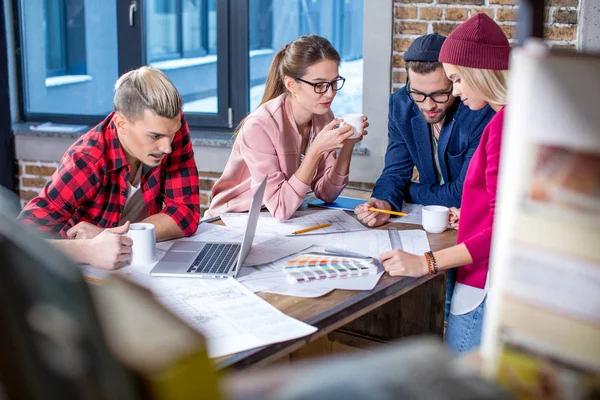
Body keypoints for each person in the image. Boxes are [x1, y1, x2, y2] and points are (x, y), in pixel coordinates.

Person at [377, 13, 510, 355]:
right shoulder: (510, 119)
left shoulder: (493, 123)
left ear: (475, 73)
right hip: (473, 253)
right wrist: (467, 213)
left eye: (454, 81)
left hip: (483, 275)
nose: (456, 91)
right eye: (418, 95)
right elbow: (490, 203)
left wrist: (426, 263)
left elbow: (502, 228)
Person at [18, 66, 200, 270]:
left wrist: (119, 236)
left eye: (172, 133)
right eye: (155, 136)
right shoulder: (87, 160)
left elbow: (186, 213)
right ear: (121, 124)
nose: (167, 148)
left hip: (136, 265)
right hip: (85, 272)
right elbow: (20, 243)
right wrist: (86, 249)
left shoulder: (169, 127)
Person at [205, 34, 368, 221]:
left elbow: (327, 193)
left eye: (334, 83)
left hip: (273, 217)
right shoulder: (260, 126)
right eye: (320, 85)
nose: (330, 93)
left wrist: (348, 145)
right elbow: (281, 207)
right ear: (291, 84)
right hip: (231, 220)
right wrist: (316, 150)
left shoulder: (323, 116)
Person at [354, 33, 495, 228]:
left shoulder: (478, 111)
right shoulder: (401, 104)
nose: (428, 105)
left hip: (472, 223)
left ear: (454, 83)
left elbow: (463, 194)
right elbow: (395, 171)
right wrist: (383, 200)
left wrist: (405, 190)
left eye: (439, 94)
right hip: (430, 223)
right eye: (418, 94)